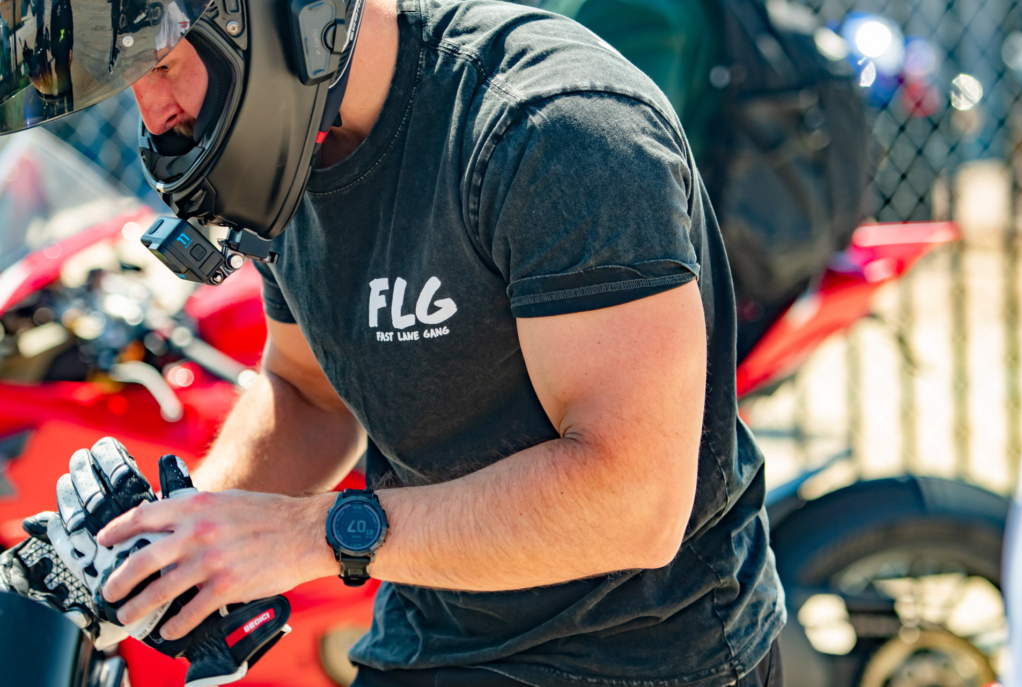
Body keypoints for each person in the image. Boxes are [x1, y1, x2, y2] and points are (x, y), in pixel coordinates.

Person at [1, 0, 785, 685]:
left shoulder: (553, 128)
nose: (154, 114)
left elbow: (632, 502)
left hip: (644, 656)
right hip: (434, 629)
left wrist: (309, 535)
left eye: (163, 64)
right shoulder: (289, 145)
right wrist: (173, 545)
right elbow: (307, 392)